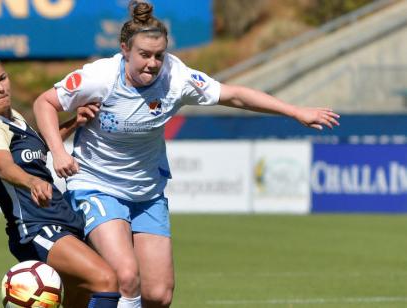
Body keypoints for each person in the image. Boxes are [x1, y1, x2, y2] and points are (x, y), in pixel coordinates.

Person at [32, 1, 341, 307]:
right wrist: (59, 152)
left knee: (158, 295)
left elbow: (234, 95)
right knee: (126, 278)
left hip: (147, 192)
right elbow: (44, 103)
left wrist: (295, 111)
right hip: (97, 185)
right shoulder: (99, 78)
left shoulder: (176, 78)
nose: (153, 64)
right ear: (125, 50)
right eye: (144, 55)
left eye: (158, 55)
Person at [0, 49, 121, 308]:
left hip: (61, 216)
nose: (0, 88)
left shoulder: (14, 119)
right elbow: (4, 166)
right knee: (106, 280)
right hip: (36, 227)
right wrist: (32, 182)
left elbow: (39, 148)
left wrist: (74, 123)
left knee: (84, 293)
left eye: (2, 78)